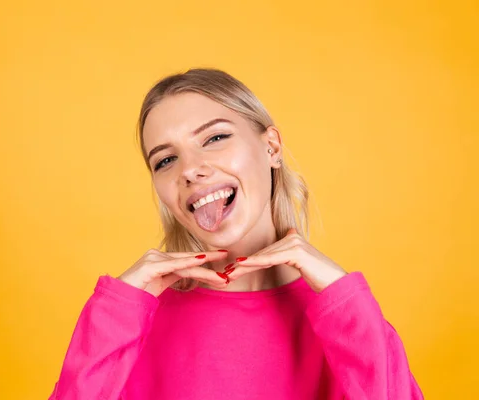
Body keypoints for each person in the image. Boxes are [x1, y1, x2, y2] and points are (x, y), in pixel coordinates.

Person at [47, 68, 423, 399]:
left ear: (271, 147)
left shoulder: (347, 323)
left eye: (214, 138)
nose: (190, 170)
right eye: (165, 160)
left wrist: (346, 300)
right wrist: (115, 311)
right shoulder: (131, 327)